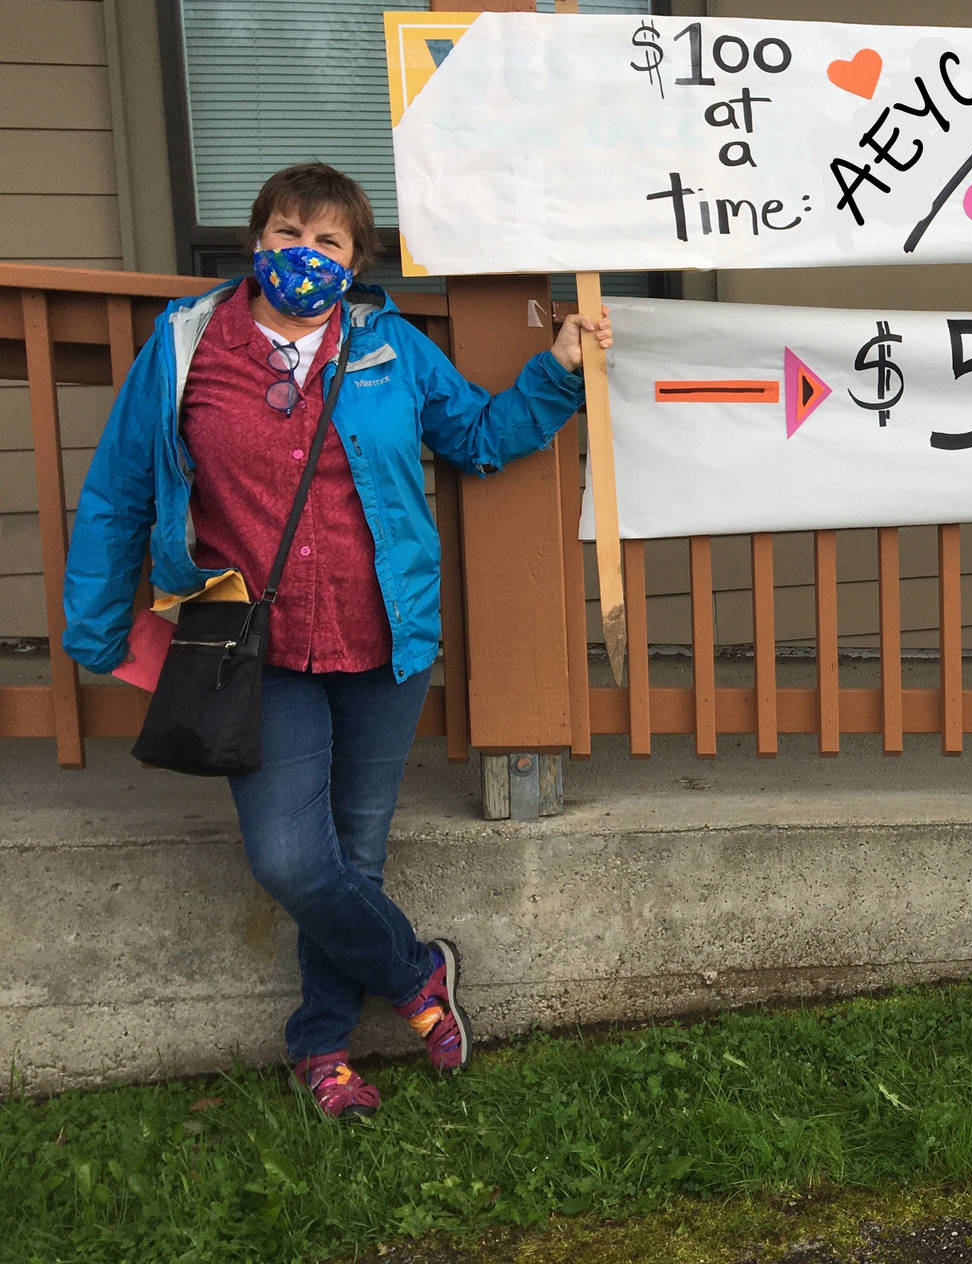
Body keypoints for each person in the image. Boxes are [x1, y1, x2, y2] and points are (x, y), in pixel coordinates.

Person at [63, 162, 611, 1119]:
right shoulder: (188, 344)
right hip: (256, 649)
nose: (305, 254)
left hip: (384, 638)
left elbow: (480, 437)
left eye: (330, 242)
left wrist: (559, 368)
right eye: (288, 233)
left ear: (355, 263)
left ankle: (320, 1046)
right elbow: (121, 488)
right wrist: (99, 624)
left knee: (354, 857)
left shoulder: (391, 347)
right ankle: (416, 973)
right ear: (257, 240)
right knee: (289, 858)